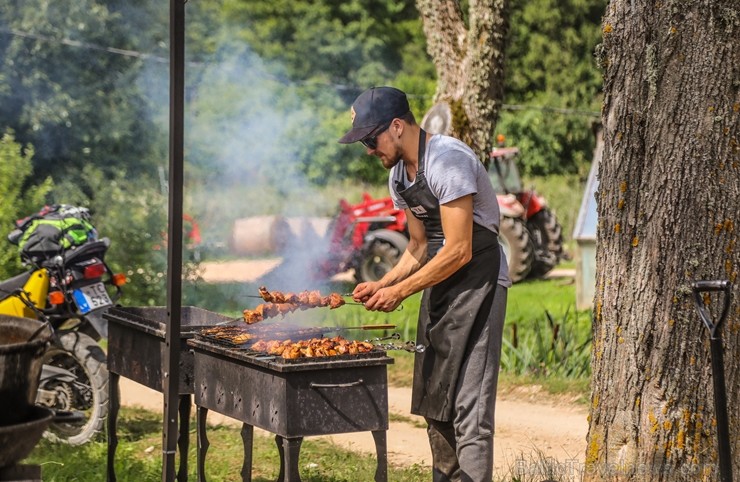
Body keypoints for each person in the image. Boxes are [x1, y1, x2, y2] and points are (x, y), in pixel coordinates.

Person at [339, 86, 509, 481]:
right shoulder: (399, 177)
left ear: (396, 127)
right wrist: (383, 283)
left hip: (478, 282)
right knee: (436, 401)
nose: (368, 150)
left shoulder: (447, 160)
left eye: (370, 138)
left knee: (470, 407)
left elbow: (460, 249)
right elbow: (418, 246)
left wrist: (400, 291)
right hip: (441, 282)